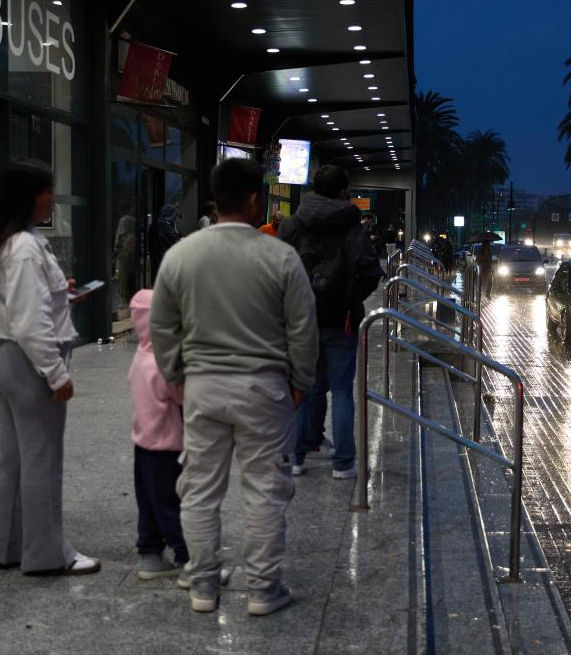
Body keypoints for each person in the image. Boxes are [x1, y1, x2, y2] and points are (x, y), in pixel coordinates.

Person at [150, 158, 318, 616]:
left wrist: (176, 375)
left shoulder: (181, 255)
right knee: (265, 490)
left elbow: (161, 325)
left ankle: (203, 586)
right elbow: (303, 328)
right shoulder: (280, 256)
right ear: (254, 199)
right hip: (265, 389)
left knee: (199, 490)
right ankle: (263, 590)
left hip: (202, 388)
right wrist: (300, 381)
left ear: (214, 199)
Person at [0, 157, 100, 577]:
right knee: (42, 459)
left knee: (12, 460)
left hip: (2, 357)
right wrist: (56, 374)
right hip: (27, 363)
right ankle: (47, 554)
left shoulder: (6, 240)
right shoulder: (25, 248)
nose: (52, 199)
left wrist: (61, 295)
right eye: (47, 191)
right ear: (29, 196)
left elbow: (23, 306)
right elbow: (29, 322)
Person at [279, 165, 383, 478]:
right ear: (342, 191)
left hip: (300, 320)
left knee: (302, 386)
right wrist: (351, 297)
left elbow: (277, 269)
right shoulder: (353, 226)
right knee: (341, 391)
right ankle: (343, 464)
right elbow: (370, 272)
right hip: (342, 320)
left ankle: (295, 458)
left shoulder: (292, 224)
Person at [127, 289, 188, 581]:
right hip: (167, 444)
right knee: (171, 502)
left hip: (143, 442)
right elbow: (181, 396)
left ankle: (149, 553)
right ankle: (188, 557)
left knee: (149, 501)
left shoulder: (141, 355)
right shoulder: (163, 363)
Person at [149, 203, 181, 280]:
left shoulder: (155, 224)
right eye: (174, 215)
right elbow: (175, 242)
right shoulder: (165, 225)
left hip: (156, 261)